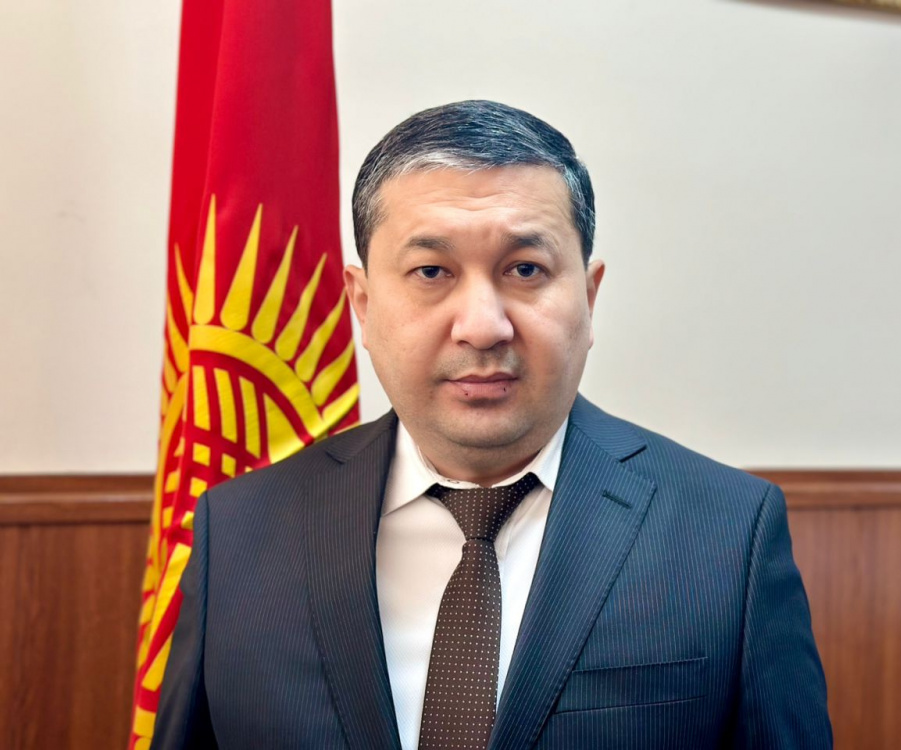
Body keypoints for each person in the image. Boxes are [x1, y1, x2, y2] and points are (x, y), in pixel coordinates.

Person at [152, 100, 832, 749]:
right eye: (431, 271)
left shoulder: (728, 534)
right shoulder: (238, 533)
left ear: (588, 297)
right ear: (362, 304)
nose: (482, 326)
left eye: (526, 269)